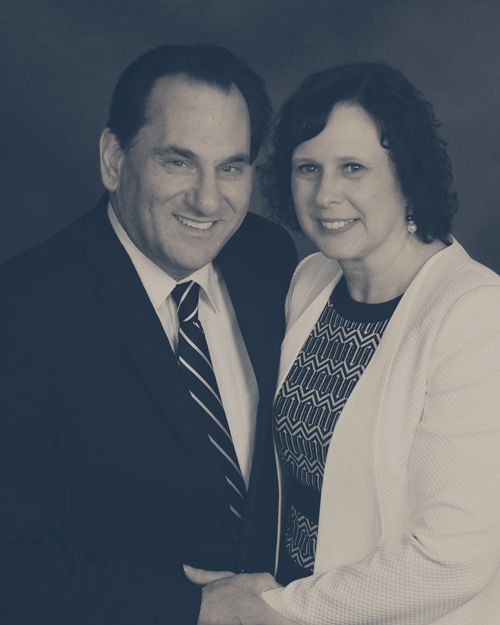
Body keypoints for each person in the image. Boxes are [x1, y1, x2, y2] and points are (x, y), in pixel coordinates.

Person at [185, 62, 500, 624]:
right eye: (308, 168)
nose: (326, 194)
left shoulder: (474, 314)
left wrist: (271, 608)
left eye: (353, 168)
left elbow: (451, 560)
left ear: (407, 174)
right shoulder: (312, 280)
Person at [0, 44, 298, 625]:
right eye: (178, 162)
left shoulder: (268, 258)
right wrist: (188, 608)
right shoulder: (21, 311)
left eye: (231, 167)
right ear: (114, 159)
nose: (207, 200)